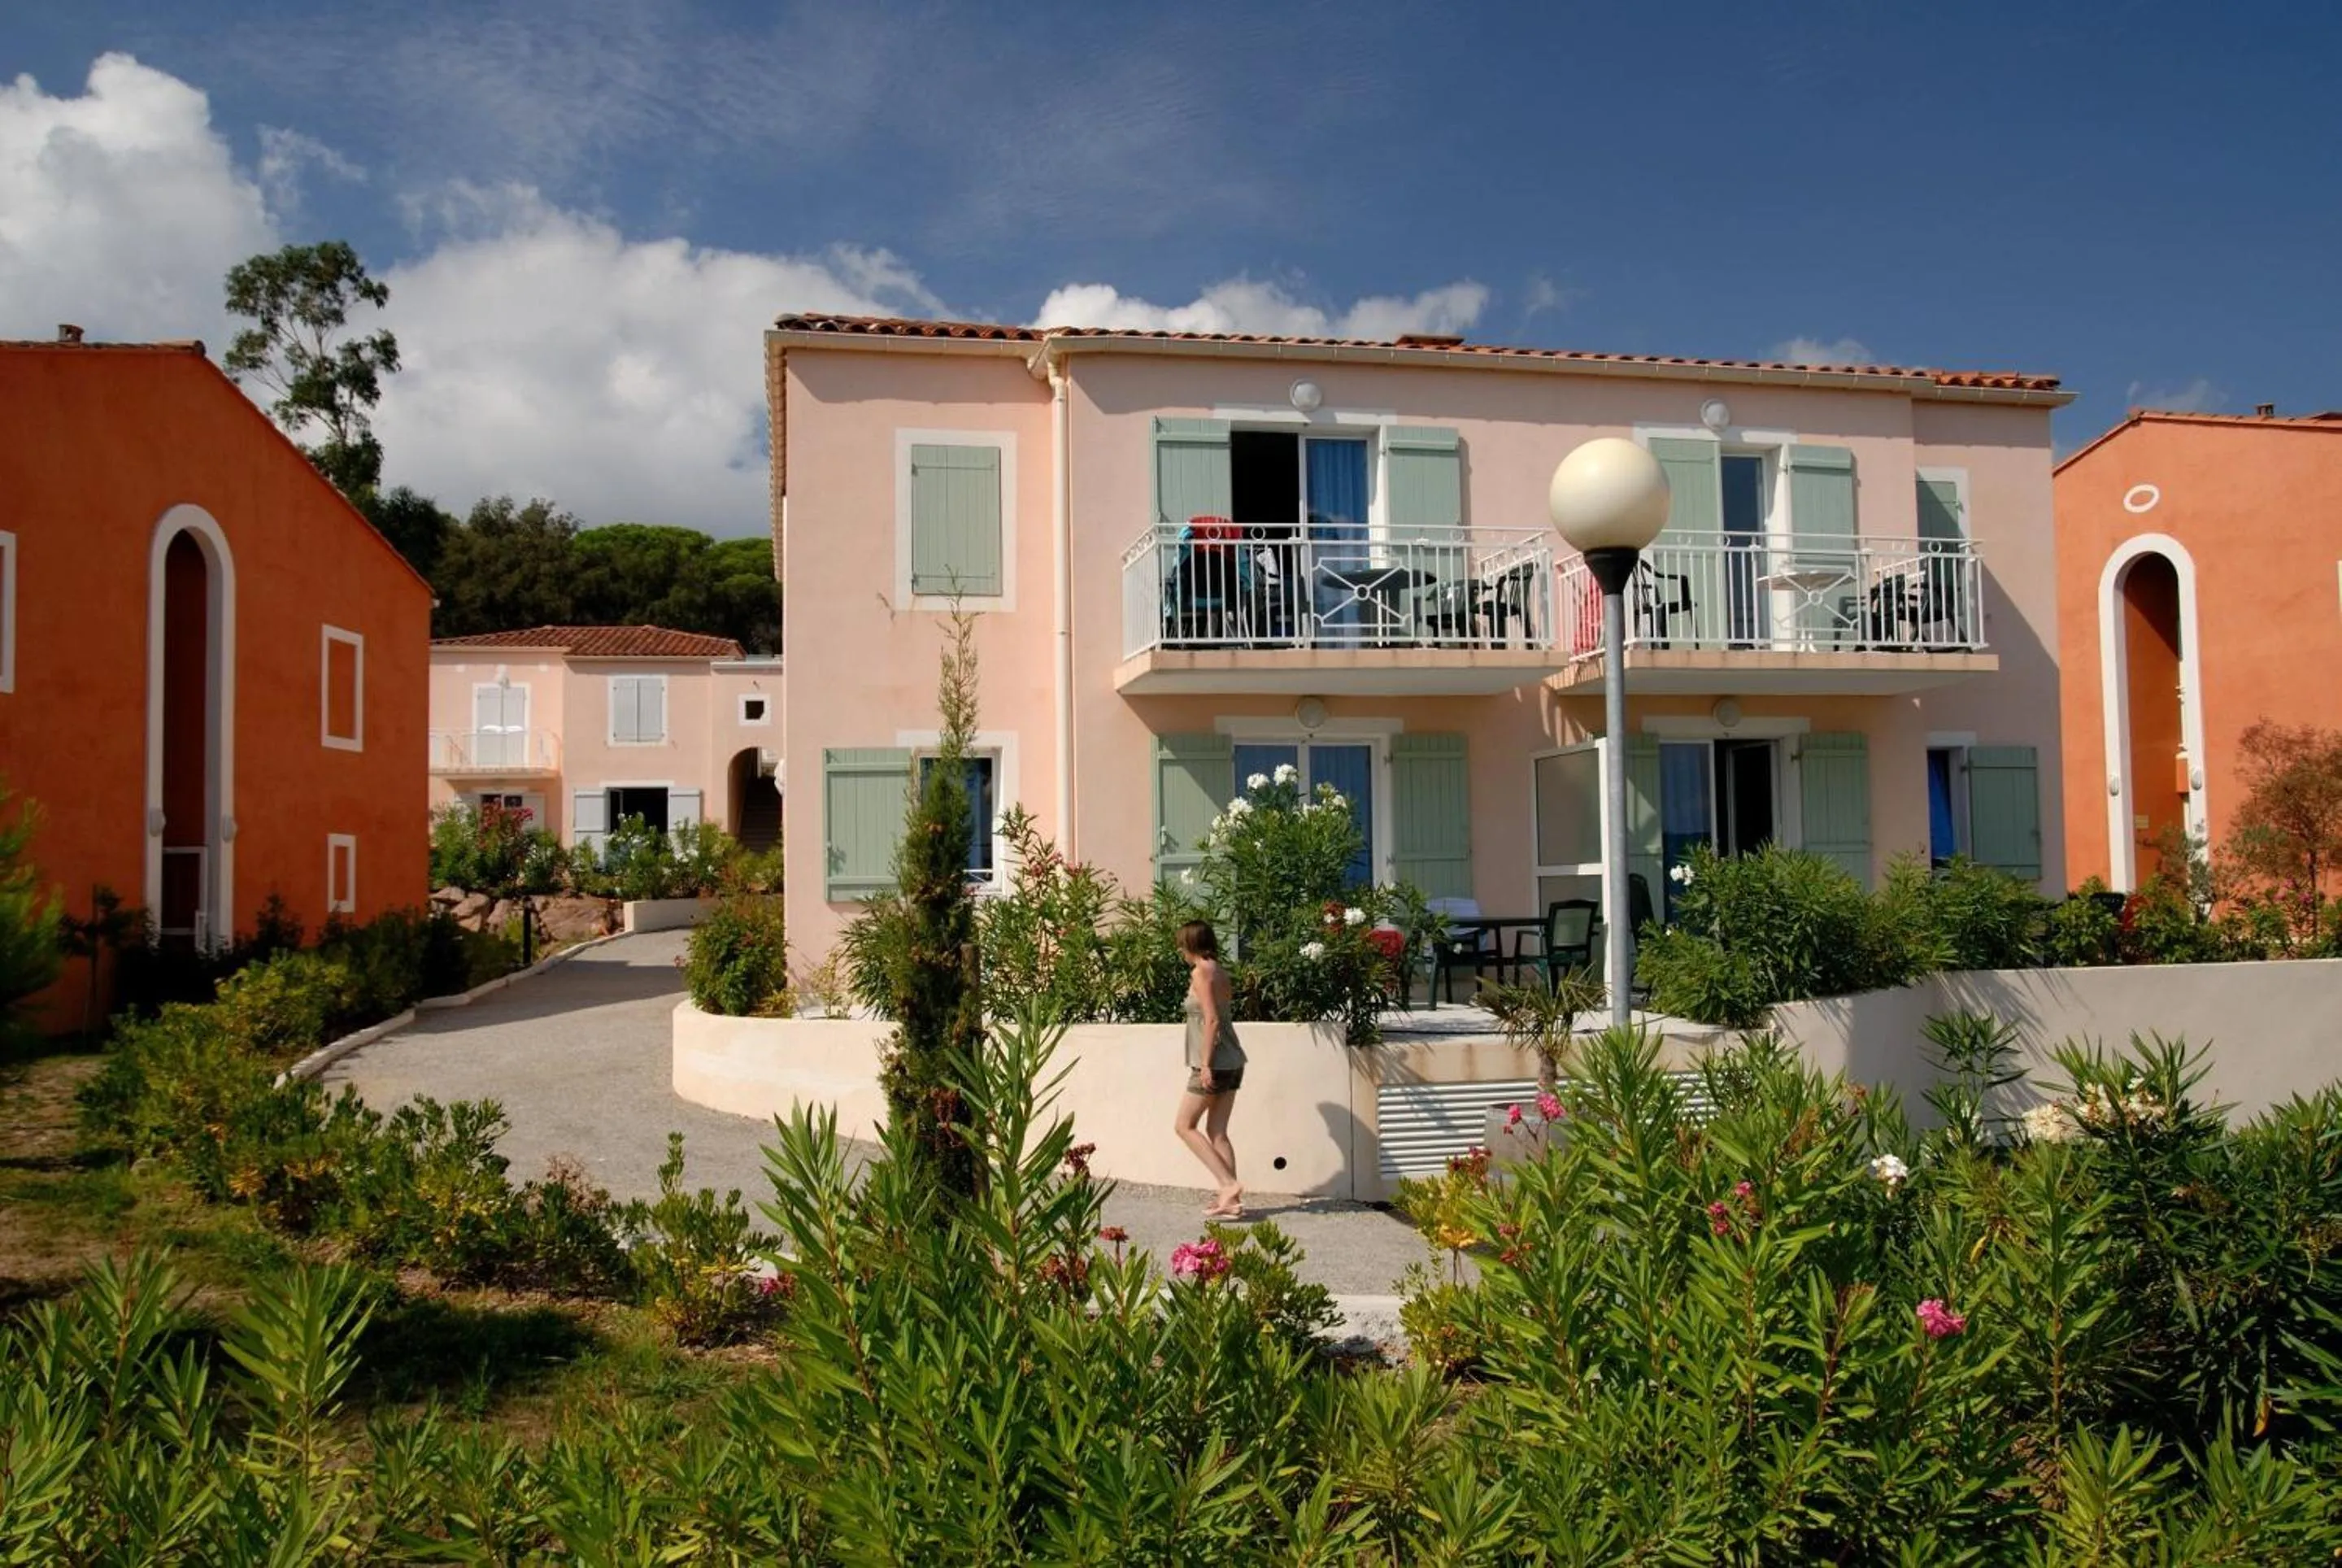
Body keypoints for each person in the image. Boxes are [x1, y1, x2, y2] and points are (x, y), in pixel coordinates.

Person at [1173, 919, 1247, 1218]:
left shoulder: (1201, 972)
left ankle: (1228, 1184)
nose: (1180, 950)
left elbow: (1212, 1019)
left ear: (1189, 945)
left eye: (1181, 944)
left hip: (1214, 1062)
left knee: (1184, 1125)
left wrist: (1205, 1064)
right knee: (1217, 1131)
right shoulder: (1219, 970)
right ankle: (1231, 1203)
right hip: (1234, 1059)